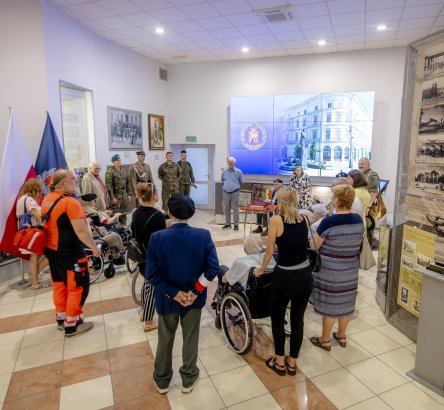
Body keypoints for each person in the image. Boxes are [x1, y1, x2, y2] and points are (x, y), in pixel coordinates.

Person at [146, 194, 219, 394]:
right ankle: (188, 378)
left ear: (169, 213)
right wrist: (194, 291)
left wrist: (174, 293)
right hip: (194, 300)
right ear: (192, 213)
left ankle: (162, 380)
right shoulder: (203, 235)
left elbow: (151, 273)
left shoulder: (157, 237)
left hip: (166, 298)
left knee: (165, 339)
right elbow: (213, 268)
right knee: (191, 338)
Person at [253, 188, 313, 377]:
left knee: (277, 320)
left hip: (285, 277)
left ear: (281, 202)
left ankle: (279, 362)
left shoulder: (276, 221)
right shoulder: (305, 219)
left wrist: (261, 269)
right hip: (305, 276)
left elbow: (269, 251)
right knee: (297, 319)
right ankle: (292, 363)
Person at [41, 170, 101, 337]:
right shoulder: (70, 202)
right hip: (70, 253)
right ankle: (72, 325)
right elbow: (80, 230)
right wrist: (94, 248)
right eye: (73, 179)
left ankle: (62, 319)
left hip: (53, 252)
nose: (76, 181)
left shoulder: (47, 199)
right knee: (78, 288)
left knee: (60, 286)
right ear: (62, 183)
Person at [309, 185, 364, 351]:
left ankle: (325, 340)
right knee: (346, 302)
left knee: (330, 304)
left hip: (330, 270)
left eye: (333, 196)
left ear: (338, 199)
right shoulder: (358, 219)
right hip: (351, 269)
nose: (332, 199)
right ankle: (341, 335)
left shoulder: (329, 221)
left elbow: (314, 245)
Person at [131, 183, 166, 332]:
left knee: (147, 284)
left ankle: (144, 312)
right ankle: (149, 321)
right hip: (154, 256)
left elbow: (134, 233)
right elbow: (162, 239)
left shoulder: (135, 213)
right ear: (154, 196)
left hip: (141, 254)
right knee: (151, 287)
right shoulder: (158, 216)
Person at [15, 178, 50, 289]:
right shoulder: (29, 200)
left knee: (35, 257)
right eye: (39, 191)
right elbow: (38, 215)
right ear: (35, 189)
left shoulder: (21, 199)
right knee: (42, 255)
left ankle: (34, 277)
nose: (40, 194)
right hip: (32, 232)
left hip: (25, 233)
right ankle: (35, 283)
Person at [81, 193, 126, 265]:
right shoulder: (91, 212)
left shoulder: (84, 210)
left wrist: (104, 213)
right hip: (97, 236)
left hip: (94, 234)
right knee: (116, 234)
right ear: (90, 202)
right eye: (95, 201)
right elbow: (106, 221)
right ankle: (120, 255)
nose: (95, 202)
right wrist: (116, 216)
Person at [358, 157, 380, 247]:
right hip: (362, 204)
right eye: (359, 164)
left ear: (368, 165)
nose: (360, 166)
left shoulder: (372, 175)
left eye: (362, 164)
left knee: (368, 227)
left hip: (368, 206)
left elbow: (374, 192)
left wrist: (368, 206)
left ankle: (368, 248)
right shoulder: (361, 174)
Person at [105, 154, 133, 224]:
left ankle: (124, 227)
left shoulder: (124, 170)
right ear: (113, 162)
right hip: (115, 197)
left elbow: (128, 183)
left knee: (123, 214)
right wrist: (112, 198)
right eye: (117, 160)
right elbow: (108, 186)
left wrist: (129, 194)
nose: (119, 161)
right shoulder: (110, 171)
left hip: (124, 196)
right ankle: (115, 228)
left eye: (120, 160)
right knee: (115, 215)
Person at [221, 157, 244, 231]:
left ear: (234, 163)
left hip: (235, 192)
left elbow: (242, 182)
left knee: (235, 209)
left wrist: (236, 187)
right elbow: (222, 181)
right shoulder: (224, 171)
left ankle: (236, 225)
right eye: (229, 162)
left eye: (231, 162)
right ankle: (228, 224)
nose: (229, 164)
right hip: (225, 192)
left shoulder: (238, 172)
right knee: (226, 208)